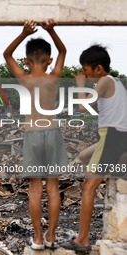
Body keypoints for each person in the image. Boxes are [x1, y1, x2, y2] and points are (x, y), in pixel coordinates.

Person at [3, 19, 68, 250]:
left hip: (32, 134)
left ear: (26, 61)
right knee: (53, 188)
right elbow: (63, 50)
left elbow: (6, 53)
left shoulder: (24, 79)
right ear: (49, 61)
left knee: (34, 190)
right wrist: (51, 30)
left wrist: (23, 34)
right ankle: (51, 236)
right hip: (52, 133)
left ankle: (38, 239)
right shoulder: (54, 77)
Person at [61, 45, 127, 251]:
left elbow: (84, 107)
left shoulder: (105, 81)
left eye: (86, 71)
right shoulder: (117, 82)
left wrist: (80, 85)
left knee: (87, 188)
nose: (85, 75)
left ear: (99, 69)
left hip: (111, 137)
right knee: (83, 156)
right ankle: (103, 171)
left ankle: (82, 240)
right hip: (118, 137)